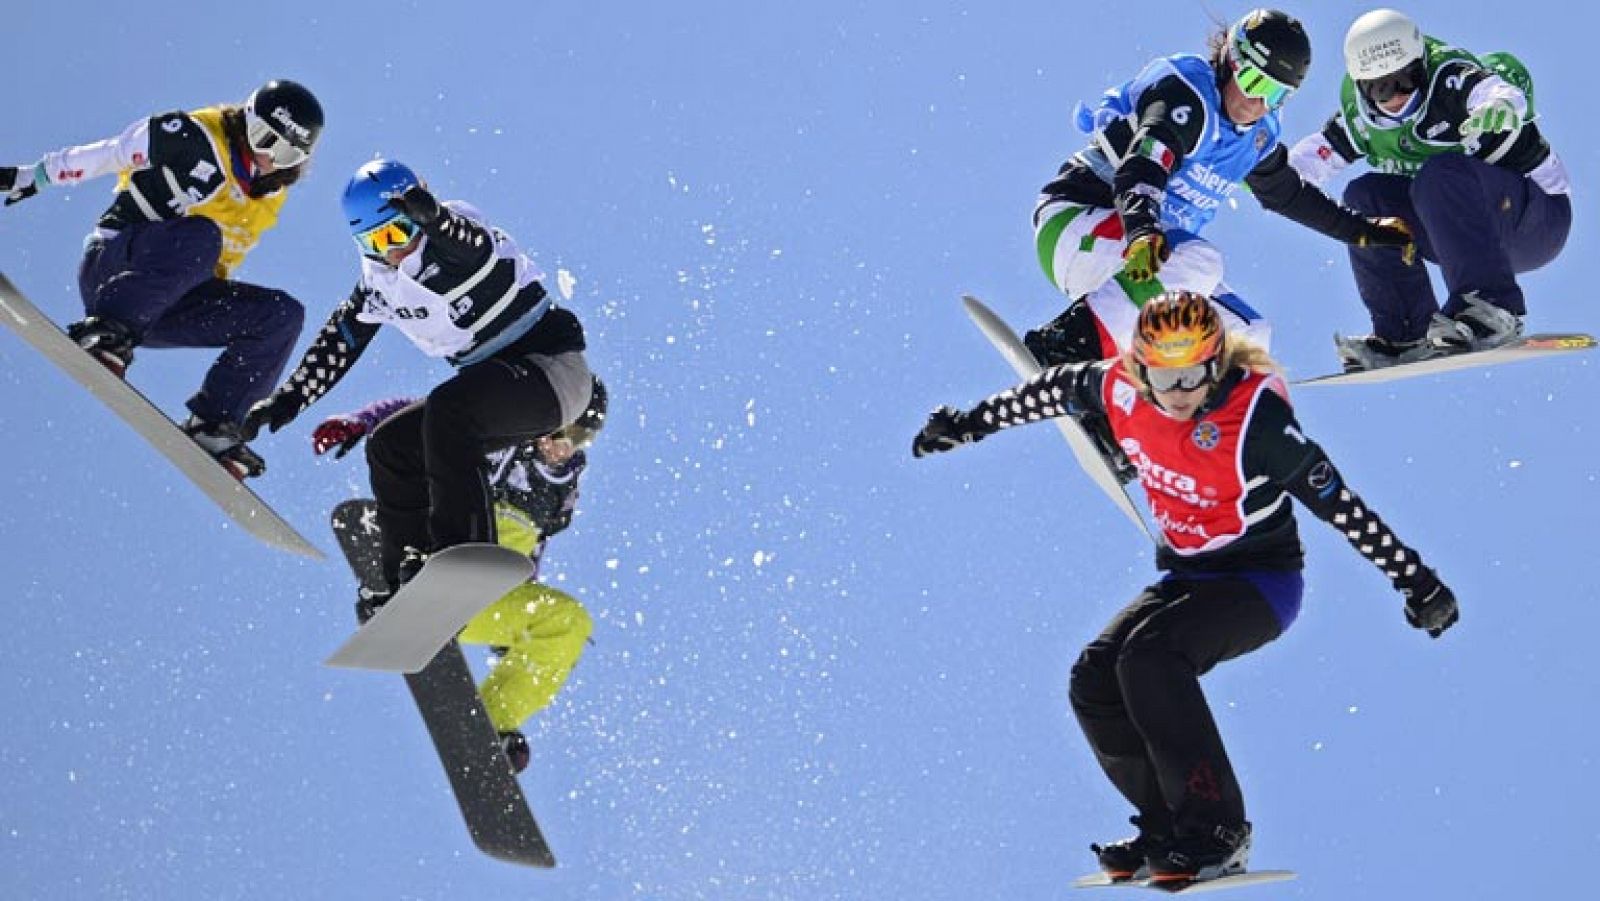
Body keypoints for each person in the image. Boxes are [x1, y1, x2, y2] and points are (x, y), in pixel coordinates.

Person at [913, 291, 1458, 885]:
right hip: (1186, 576)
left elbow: (1342, 508)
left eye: (1194, 374)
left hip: (1260, 583)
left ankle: (1218, 830)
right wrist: (967, 425)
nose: (1179, 393)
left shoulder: (1259, 423)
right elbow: (1041, 394)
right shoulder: (1114, 386)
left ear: (1216, 362)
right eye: (1165, 375)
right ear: (1140, 366)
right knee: (1094, 678)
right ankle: (1166, 825)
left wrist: (1417, 581)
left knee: (1150, 659)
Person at [243, 158, 592, 601]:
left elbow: (472, 247)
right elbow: (341, 340)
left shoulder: (455, 232)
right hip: (498, 387)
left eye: (400, 231)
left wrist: (436, 220)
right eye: (379, 241)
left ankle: (465, 548)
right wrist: (287, 400)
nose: (396, 250)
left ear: (420, 211)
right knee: (392, 445)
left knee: (449, 410)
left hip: (551, 372)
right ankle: (402, 575)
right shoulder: (380, 284)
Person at [1027, 8, 1414, 373]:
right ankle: (1064, 348)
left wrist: (1366, 231)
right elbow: (1143, 164)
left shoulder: (1255, 140)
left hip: (1137, 259)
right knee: (1201, 261)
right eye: (1253, 82)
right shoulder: (1188, 97)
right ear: (1231, 62)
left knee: (1246, 338)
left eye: (1275, 96)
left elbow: (1291, 196)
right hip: (1079, 223)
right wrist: (1142, 229)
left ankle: (1145, 420)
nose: (1257, 103)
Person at [0, 80, 323, 477]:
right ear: (245, 120)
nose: (267, 157)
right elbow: (112, 153)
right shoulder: (192, 136)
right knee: (204, 235)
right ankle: (108, 329)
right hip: (116, 270)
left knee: (282, 314)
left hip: (169, 303)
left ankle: (215, 423)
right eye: (262, 138)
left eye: (285, 152)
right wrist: (33, 176)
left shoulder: (270, 194)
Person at [317, 380, 605, 772]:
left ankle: (491, 726)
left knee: (569, 622)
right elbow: (426, 413)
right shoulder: (505, 428)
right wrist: (360, 420)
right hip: (439, 559)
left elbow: (535, 548)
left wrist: (523, 613)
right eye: (564, 430)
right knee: (450, 490)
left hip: (486, 594)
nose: (564, 445)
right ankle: (396, 588)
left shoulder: (562, 488)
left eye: (581, 437)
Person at [1289, 9, 1570, 371]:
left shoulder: (1449, 80)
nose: (1397, 96)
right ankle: (1405, 332)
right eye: (1381, 87)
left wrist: (1498, 105)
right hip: (1462, 236)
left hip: (1535, 220)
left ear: (1423, 64)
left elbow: (1491, 89)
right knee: (1365, 197)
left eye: (1408, 79)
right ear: (1361, 86)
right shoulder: (1362, 120)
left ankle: (1493, 307)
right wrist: (1268, 173)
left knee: (1439, 174)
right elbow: (1317, 154)